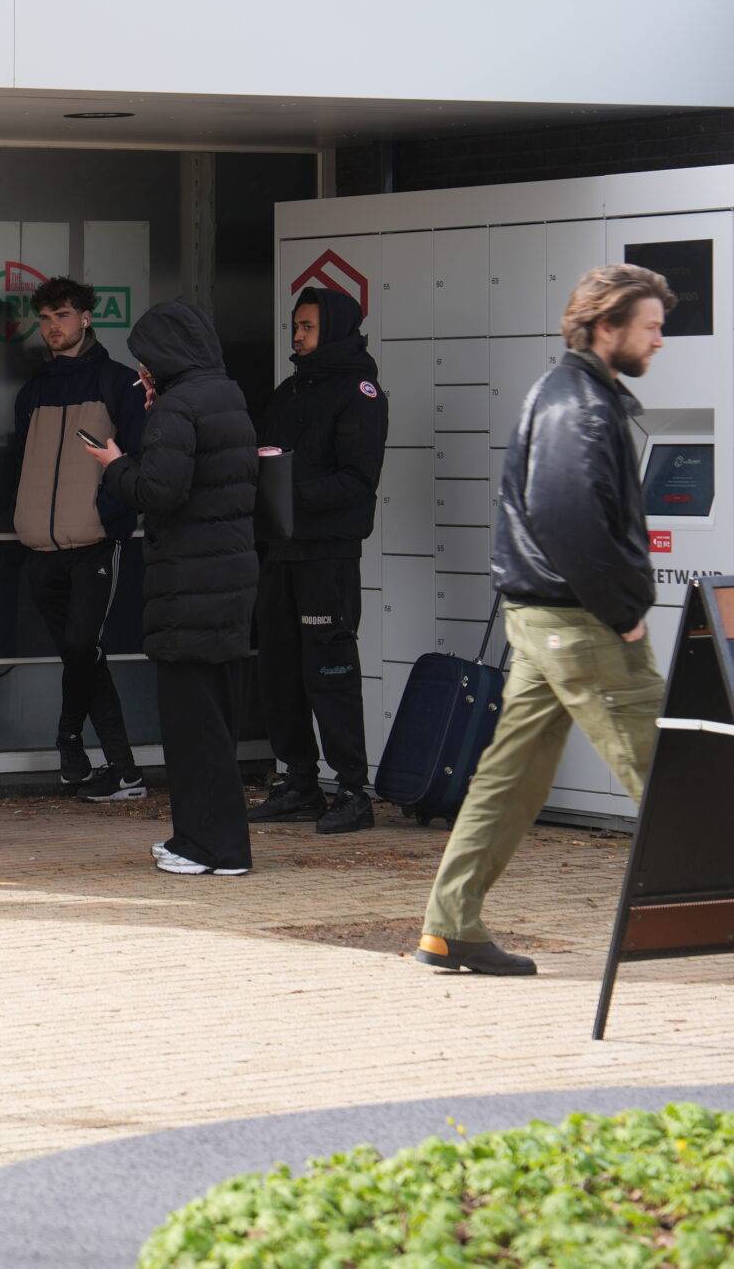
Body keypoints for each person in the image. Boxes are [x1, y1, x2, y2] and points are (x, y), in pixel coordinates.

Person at [417, 265, 674, 977]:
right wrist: (624, 610)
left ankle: (449, 926)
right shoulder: (582, 407)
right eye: (649, 324)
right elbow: (570, 520)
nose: (660, 337)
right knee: (667, 766)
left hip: (541, 617)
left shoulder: (569, 394)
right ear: (605, 327)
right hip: (580, 620)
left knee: (512, 775)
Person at [83, 301, 256, 877]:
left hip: (188, 587)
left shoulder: (176, 409)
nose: (141, 376)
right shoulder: (226, 396)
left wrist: (114, 463)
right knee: (215, 723)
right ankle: (207, 840)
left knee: (192, 727)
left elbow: (160, 492)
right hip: (227, 583)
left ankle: (210, 848)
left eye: (146, 363)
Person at [250, 286, 389, 835]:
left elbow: (358, 481)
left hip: (327, 556)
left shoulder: (361, 393)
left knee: (328, 669)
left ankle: (353, 789)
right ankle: (299, 781)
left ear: (331, 328)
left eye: (306, 327)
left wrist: (291, 492)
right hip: (279, 551)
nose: (298, 337)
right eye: (294, 328)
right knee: (278, 667)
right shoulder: (288, 392)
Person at [10, 278, 147, 801]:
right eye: (45, 318)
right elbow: (21, 463)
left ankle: (89, 749)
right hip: (39, 547)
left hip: (93, 542)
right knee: (80, 656)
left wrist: (110, 517)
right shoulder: (34, 390)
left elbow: (135, 461)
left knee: (80, 647)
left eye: (63, 315)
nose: (53, 327)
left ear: (87, 317)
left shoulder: (119, 383)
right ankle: (114, 764)